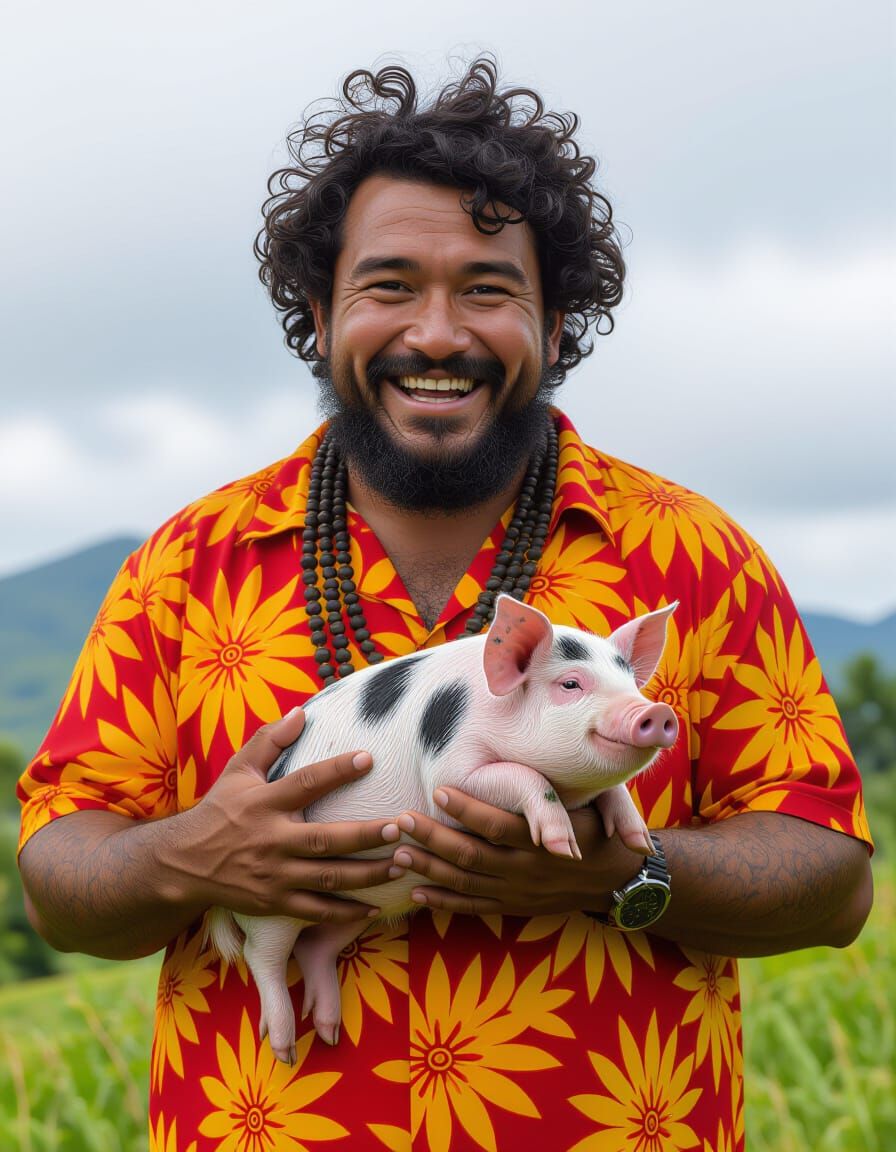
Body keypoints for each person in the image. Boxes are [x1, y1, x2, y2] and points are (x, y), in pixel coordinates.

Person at [17, 58, 872, 1152]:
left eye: (485, 289)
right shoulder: (188, 565)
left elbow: (830, 875)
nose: (434, 334)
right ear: (318, 316)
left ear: (554, 324)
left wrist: (627, 873)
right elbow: (56, 875)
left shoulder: (693, 558)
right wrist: (189, 855)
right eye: (386, 287)